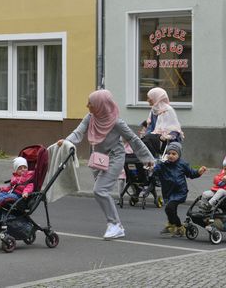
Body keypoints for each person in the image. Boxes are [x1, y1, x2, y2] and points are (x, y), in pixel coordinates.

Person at [57, 89, 155, 240]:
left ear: (100, 105)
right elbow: (78, 132)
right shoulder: (91, 117)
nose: (87, 105)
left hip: (115, 158)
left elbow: (133, 139)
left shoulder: (116, 122)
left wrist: (147, 158)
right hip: (99, 158)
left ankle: (115, 225)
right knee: (102, 191)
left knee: (100, 190)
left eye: (91, 103)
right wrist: (67, 141)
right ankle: (115, 224)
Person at [154, 142, 207, 237]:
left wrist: (199, 172)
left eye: (174, 154)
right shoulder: (163, 165)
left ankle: (174, 226)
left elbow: (191, 173)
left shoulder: (182, 164)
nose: (171, 156)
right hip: (168, 192)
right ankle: (178, 227)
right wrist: (157, 164)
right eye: (169, 153)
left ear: (179, 155)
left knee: (169, 208)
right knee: (170, 210)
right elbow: (155, 172)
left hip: (180, 192)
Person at [142, 87, 183, 157]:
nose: (147, 100)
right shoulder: (154, 110)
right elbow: (151, 128)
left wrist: (166, 136)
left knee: (147, 140)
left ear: (156, 98)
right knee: (143, 141)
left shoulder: (167, 110)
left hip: (167, 141)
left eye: (149, 98)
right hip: (155, 140)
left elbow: (174, 129)